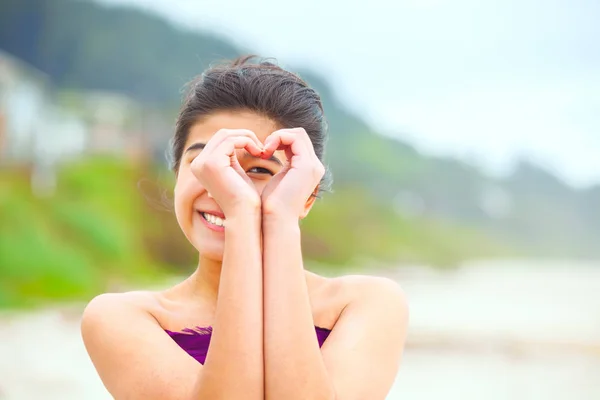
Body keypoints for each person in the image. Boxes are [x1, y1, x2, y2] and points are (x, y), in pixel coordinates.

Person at [81, 55, 409, 400]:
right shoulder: (122, 318)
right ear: (177, 174)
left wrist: (278, 220)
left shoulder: (364, 305)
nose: (224, 186)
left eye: (258, 170)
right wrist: (241, 213)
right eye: (208, 163)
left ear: (306, 196)